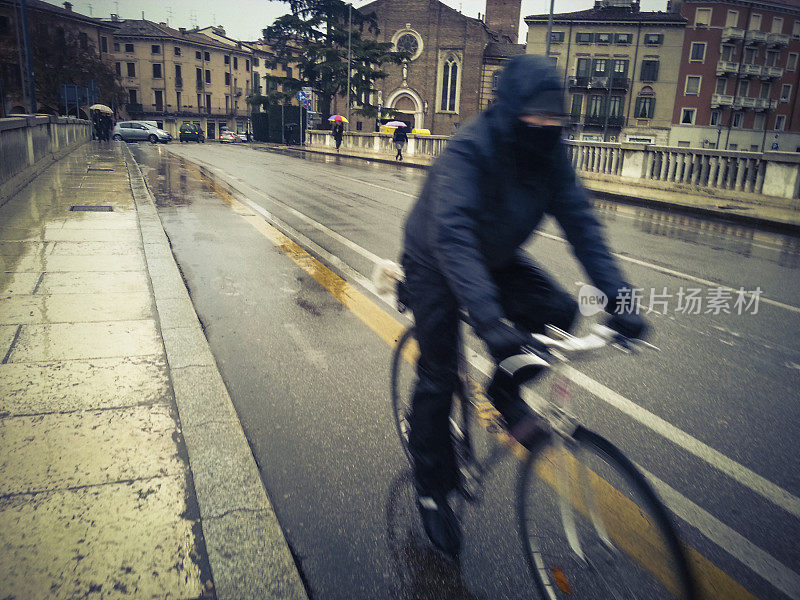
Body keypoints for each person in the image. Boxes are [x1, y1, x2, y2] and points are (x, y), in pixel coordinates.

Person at [400, 54, 647, 558]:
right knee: (438, 374)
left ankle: (504, 389)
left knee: (558, 309)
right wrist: (490, 322)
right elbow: (452, 235)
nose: (545, 125)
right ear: (510, 111)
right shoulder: (470, 151)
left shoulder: (552, 157)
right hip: (435, 254)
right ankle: (431, 491)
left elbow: (583, 227)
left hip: (494, 254)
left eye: (554, 117)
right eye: (534, 116)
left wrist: (620, 298)